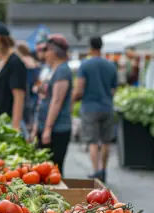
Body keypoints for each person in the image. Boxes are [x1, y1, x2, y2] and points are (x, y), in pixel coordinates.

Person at [73, 36, 117, 183]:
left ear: (90, 47)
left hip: (89, 107)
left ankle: (95, 170)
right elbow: (113, 90)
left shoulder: (85, 65)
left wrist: (73, 101)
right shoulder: (111, 66)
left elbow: (79, 88)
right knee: (105, 141)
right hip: (107, 107)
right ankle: (103, 169)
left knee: (92, 141)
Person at [32, 35, 73, 174]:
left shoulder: (62, 70)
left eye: (47, 50)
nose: (44, 54)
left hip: (57, 129)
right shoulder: (52, 70)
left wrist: (48, 128)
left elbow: (57, 101)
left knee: (54, 169)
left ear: (55, 52)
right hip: (46, 127)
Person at [16, 42, 42, 132]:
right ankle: (32, 126)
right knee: (33, 108)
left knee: (26, 107)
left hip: (26, 85)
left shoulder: (22, 60)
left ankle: (28, 126)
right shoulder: (33, 60)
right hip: (33, 86)